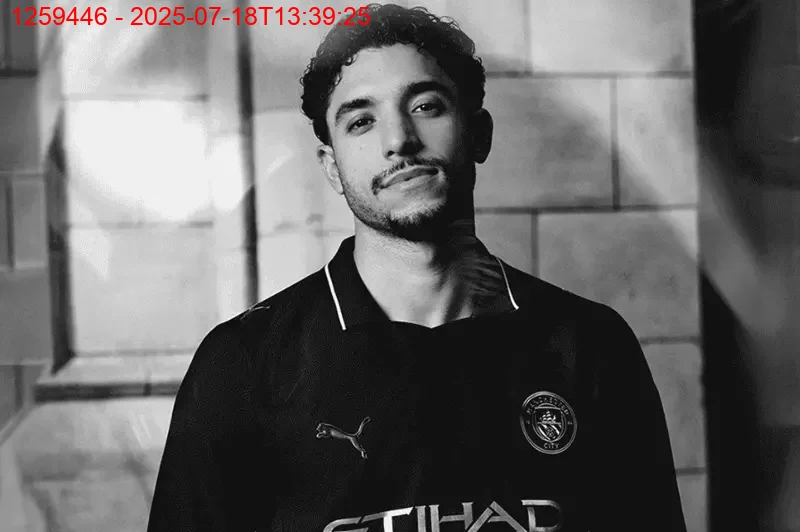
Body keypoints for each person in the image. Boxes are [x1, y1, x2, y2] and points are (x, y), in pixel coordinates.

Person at [147, 4, 688, 531]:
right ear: (332, 168)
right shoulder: (242, 366)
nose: (399, 140)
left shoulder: (589, 346)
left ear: (479, 133)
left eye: (426, 106)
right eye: (361, 121)